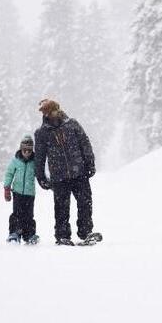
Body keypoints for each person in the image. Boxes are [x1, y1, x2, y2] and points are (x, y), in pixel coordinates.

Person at [34, 99, 102, 246]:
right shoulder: (42, 133)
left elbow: (85, 143)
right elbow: (39, 156)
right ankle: (62, 236)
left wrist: (90, 163)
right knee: (61, 208)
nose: (52, 113)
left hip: (80, 173)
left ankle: (86, 232)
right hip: (59, 178)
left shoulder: (72, 124)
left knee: (85, 203)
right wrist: (40, 177)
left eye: (53, 110)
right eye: (48, 111)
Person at [3, 134, 39, 244]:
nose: (27, 152)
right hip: (17, 192)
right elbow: (9, 173)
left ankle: (29, 235)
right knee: (17, 213)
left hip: (30, 193)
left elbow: (40, 174)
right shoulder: (16, 161)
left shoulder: (35, 161)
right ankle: (15, 233)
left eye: (29, 150)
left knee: (29, 215)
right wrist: (7, 188)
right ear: (21, 149)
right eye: (24, 150)